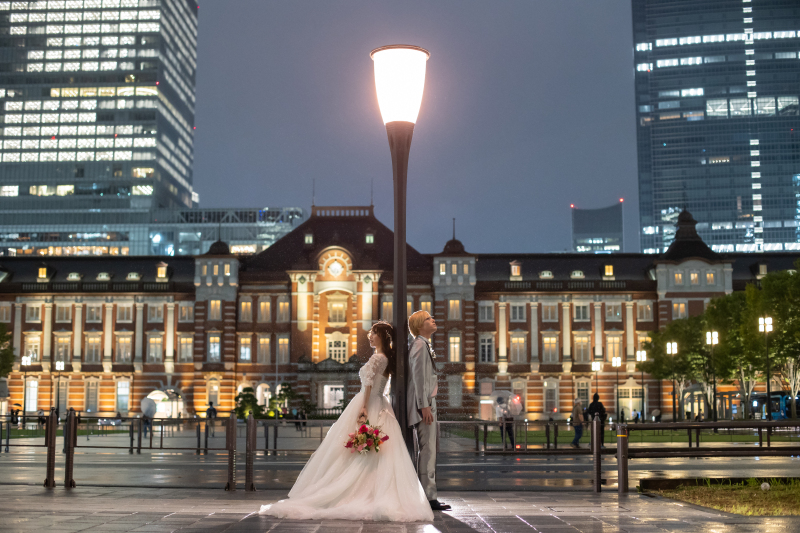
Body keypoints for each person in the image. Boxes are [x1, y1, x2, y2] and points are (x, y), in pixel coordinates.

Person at [260, 321, 433, 522]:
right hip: (382, 403)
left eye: (374, 333)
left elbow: (368, 384)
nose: (370, 336)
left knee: (355, 448)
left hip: (368, 402)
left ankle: (355, 490)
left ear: (383, 337)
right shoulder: (386, 358)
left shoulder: (378, 358)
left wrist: (364, 407)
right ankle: (373, 490)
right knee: (376, 451)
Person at [407, 310, 451, 512]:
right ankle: (429, 497)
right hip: (424, 405)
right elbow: (419, 378)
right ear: (418, 325)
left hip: (426, 403)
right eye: (428, 319)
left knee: (428, 450)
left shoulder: (423, 345)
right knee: (428, 451)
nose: (433, 320)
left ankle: (426, 494)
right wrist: (424, 405)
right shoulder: (419, 345)